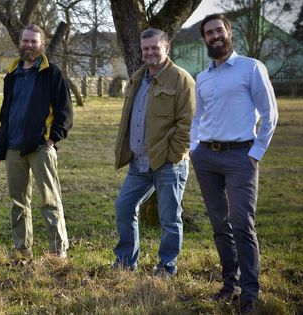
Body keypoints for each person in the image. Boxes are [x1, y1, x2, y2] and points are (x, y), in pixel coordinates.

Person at [190, 14, 278, 314]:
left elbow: (270, 113)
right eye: (208, 33)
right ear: (204, 39)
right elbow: (197, 117)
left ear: (229, 33)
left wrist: (256, 152)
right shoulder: (203, 77)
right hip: (206, 158)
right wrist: (193, 148)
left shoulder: (251, 67)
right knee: (220, 225)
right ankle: (230, 284)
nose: (214, 36)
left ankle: (250, 292)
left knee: (242, 224)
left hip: (241, 156)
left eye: (219, 30)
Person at [112, 28, 195, 277]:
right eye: (145, 48)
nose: (149, 52)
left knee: (170, 219)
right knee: (124, 207)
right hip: (138, 163)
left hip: (168, 163)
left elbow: (188, 124)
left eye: (155, 48)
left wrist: (174, 155)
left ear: (166, 48)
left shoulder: (181, 79)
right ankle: (126, 262)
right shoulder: (138, 79)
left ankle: (167, 266)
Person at [0, 24, 73, 260]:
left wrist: (51, 139)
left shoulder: (52, 73)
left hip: (40, 148)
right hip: (13, 148)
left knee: (49, 200)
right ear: (20, 43)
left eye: (33, 41)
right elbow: (5, 114)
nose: (29, 45)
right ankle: (22, 249)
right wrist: (0, 147)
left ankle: (58, 252)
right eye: (25, 41)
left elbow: (65, 112)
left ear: (42, 45)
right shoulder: (12, 75)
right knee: (18, 202)